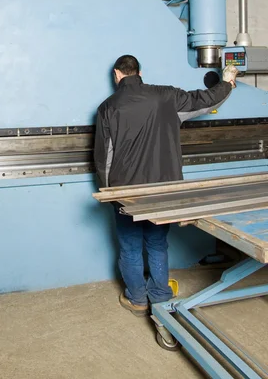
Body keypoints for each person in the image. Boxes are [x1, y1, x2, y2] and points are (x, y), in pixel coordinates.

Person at [94, 55, 238, 317]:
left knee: (130, 247)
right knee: (157, 244)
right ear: (139, 72)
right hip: (164, 191)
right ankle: (160, 296)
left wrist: (109, 193)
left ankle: (137, 299)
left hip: (127, 193)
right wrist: (227, 82)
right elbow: (207, 101)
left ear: (117, 74)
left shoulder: (107, 107)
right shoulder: (167, 97)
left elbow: (105, 158)